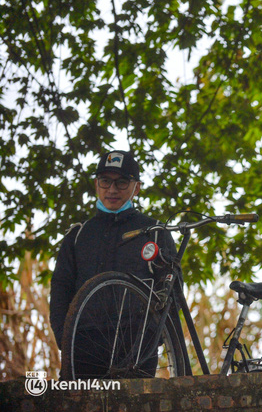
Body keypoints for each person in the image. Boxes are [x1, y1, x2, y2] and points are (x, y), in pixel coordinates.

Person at [50, 150, 177, 378]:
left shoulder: (156, 232)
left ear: (136, 187)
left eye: (121, 182)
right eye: (105, 181)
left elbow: (171, 292)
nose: (112, 189)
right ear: (96, 184)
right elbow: (60, 288)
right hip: (82, 344)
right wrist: (64, 337)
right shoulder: (78, 235)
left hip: (136, 345)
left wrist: (152, 339)